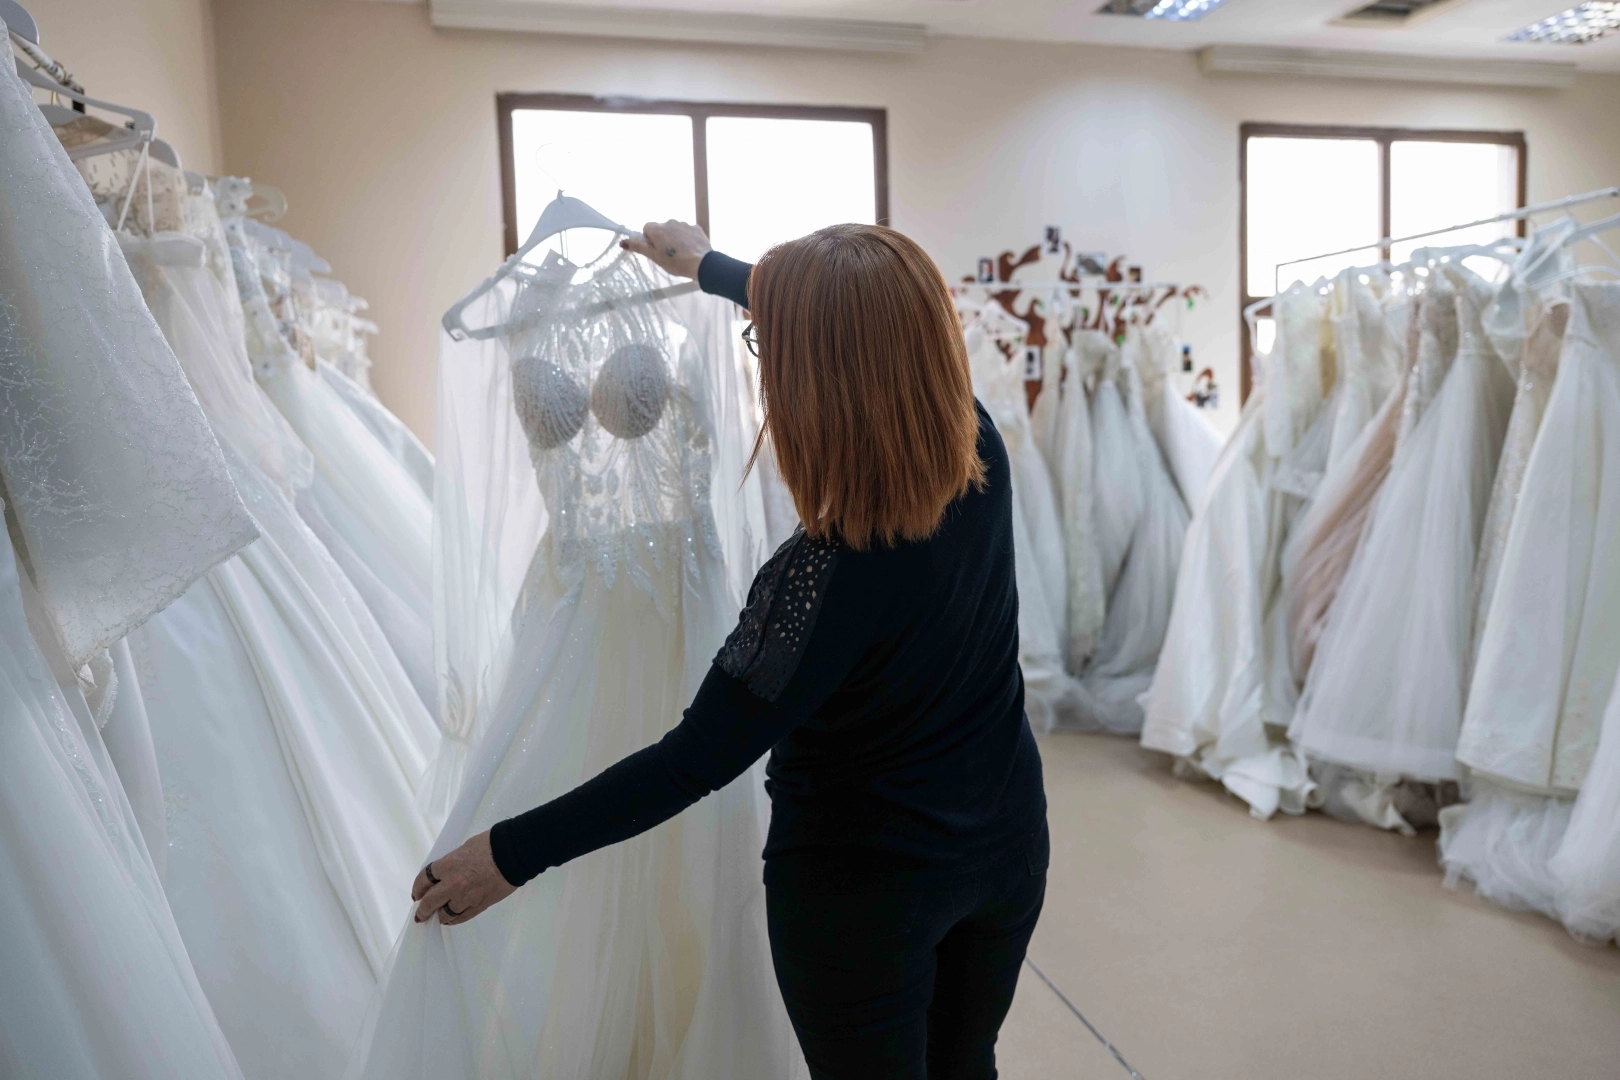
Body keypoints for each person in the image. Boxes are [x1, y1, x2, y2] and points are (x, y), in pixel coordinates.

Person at [413, 219, 1049, 1079]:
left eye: (768, 342)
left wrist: (509, 853)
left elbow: (693, 760)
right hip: (1006, 843)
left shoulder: (816, 581)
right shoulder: (975, 447)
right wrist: (707, 267)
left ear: (818, 379)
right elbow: (865, 324)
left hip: (865, 895)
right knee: (967, 1063)